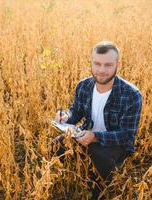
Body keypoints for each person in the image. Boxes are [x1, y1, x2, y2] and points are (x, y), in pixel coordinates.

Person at [53, 41, 142, 199]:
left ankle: (101, 188)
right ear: (91, 63)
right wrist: (66, 116)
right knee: (58, 144)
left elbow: (127, 135)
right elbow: (77, 111)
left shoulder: (131, 94)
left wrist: (95, 137)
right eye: (97, 64)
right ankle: (70, 176)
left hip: (116, 144)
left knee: (97, 151)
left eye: (108, 65)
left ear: (117, 64)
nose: (101, 70)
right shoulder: (83, 86)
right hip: (86, 134)